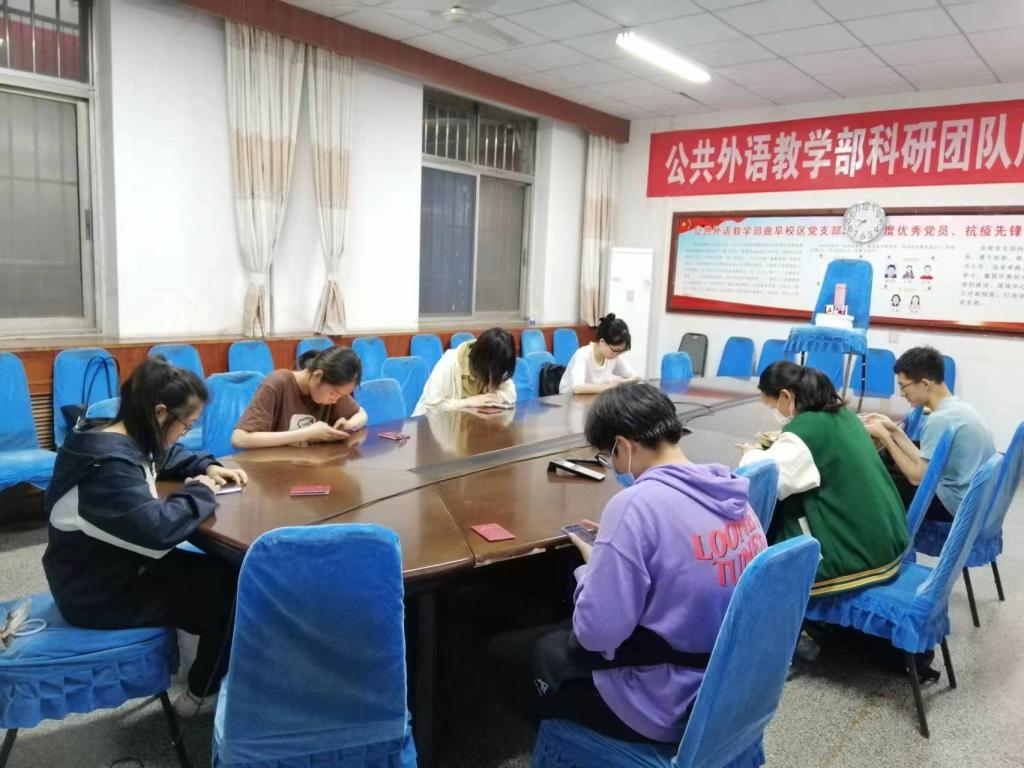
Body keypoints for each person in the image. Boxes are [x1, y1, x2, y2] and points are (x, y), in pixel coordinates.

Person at [491, 382, 764, 744]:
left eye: (609, 456)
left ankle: (573, 747)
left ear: (623, 445)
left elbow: (595, 634)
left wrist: (594, 565)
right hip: (728, 687)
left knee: (505, 652)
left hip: (663, 700)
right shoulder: (732, 494)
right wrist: (619, 547)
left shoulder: (636, 505)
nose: (614, 467)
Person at [42, 357, 247, 715]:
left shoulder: (112, 434)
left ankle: (214, 666)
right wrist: (201, 489)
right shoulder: (108, 466)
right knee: (231, 595)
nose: (184, 433)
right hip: (96, 592)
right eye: (186, 425)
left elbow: (164, 454)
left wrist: (206, 465)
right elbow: (160, 530)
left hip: (111, 566)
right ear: (160, 413)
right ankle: (201, 696)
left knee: (227, 573)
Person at [739, 361, 908, 596]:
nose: (776, 413)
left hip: (858, 559)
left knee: (766, 524)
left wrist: (751, 453)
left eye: (772, 405)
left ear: (786, 396)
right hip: (887, 542)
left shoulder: (805, 431)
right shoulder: (844, 416)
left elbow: (764, 478)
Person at [864, 347, 994, 522]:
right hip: (969, 500)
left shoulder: (940, 419)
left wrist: (886, 438)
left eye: (903, 386)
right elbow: (927, 462)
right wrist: (895, 432)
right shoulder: (958, 408)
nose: (902, 393)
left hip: (953, 505)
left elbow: (917, 477)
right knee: (887, 470)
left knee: (874, 481)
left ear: (925, 384)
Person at [232, 346, 367, 449]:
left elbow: (362, 414)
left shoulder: (332, 389)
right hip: (275, 470)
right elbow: (239, 439)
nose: (336, 400)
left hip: (310, 467)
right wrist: (306, 433)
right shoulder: (277, 383)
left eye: (341, 395)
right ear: (317, 376)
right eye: (334, 393)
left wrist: (349, 424)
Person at [413, 327, 516, 415]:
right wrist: (467, 402)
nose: (499, 377)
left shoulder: (497, 362)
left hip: (466, 425)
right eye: (496, 372)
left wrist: (484, 398)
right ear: (484, 363)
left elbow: (510, 395)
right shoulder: (448, 364)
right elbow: (432, 406)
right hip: (428, 426)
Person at [559, 313, 640, 394]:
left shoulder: (612, 357)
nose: (617, 355)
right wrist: (609, 387)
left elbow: (635, 377)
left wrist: (622, 382)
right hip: (567, 399)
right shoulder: (582, 355)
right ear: (602, 342)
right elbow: (577, 388)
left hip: (591, 398)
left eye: (620, 352)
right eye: (615, 350)